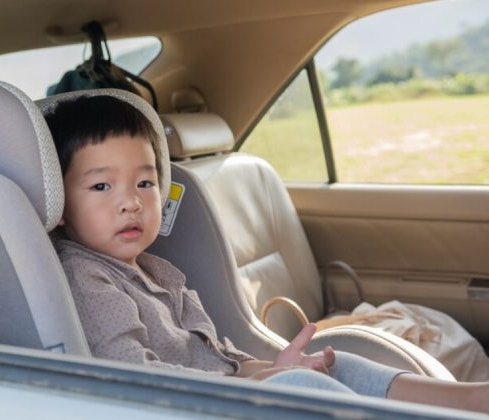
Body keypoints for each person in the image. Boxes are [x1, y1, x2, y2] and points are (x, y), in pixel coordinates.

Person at [43, 93, 489, 413]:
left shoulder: (156, 271)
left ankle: (470, 400)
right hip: (183, 405)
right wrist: (270, 380)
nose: (131, 201)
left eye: (144, 183)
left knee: (333, 366)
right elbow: (138, 379)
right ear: (60, 203)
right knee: (299, 386)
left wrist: (268, 368)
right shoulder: (87, 278)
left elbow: (215, 356)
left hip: (217, 392)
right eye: (101, 185)